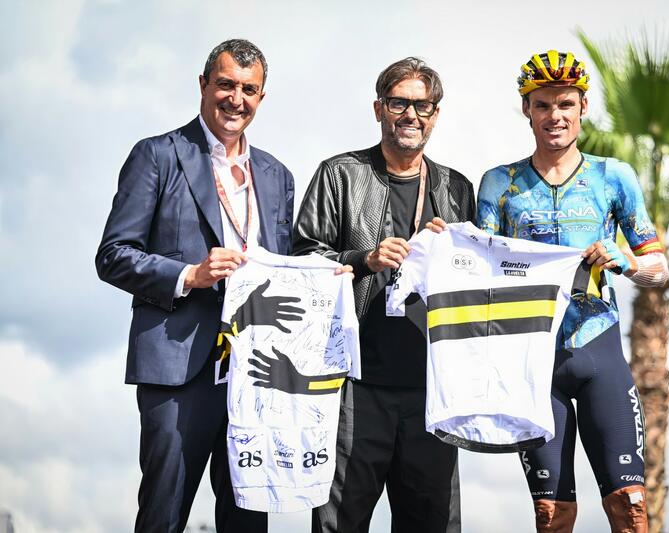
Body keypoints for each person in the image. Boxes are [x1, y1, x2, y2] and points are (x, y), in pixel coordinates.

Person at [430, 50, 669, 532]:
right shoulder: (500, 183)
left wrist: (626, 261)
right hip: (533, 363)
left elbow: (658, 267)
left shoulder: (612, 176)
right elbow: (481, 264)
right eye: (542, 105)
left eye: (565, 104)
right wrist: (445, 243)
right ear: (527, 109)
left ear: (583, 107)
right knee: (551, 514)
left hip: (598, 349)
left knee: (630, 506)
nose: (554, 116)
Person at [96, 39, 296, 532]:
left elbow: (285, 264)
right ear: (203, 85)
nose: (236, 99)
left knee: (248, 520)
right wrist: (190, 275)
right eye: (226, 85)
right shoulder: (157, 155)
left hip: (254, 372)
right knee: (163, 515)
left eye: (248, 89)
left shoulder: (278, 175)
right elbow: (113, 255)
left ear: (262, 97)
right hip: (177, 367)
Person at [293, 57, 475, 533]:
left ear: (436, 115)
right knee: (339, 524)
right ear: (379, 109)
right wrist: (364, 260)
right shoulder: (340, 175)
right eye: (399, 103)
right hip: (354, 386)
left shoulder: (456, 188)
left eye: (422, 105)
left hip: (431, 391)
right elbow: (303, 260)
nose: (411, 115)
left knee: (432, 525)